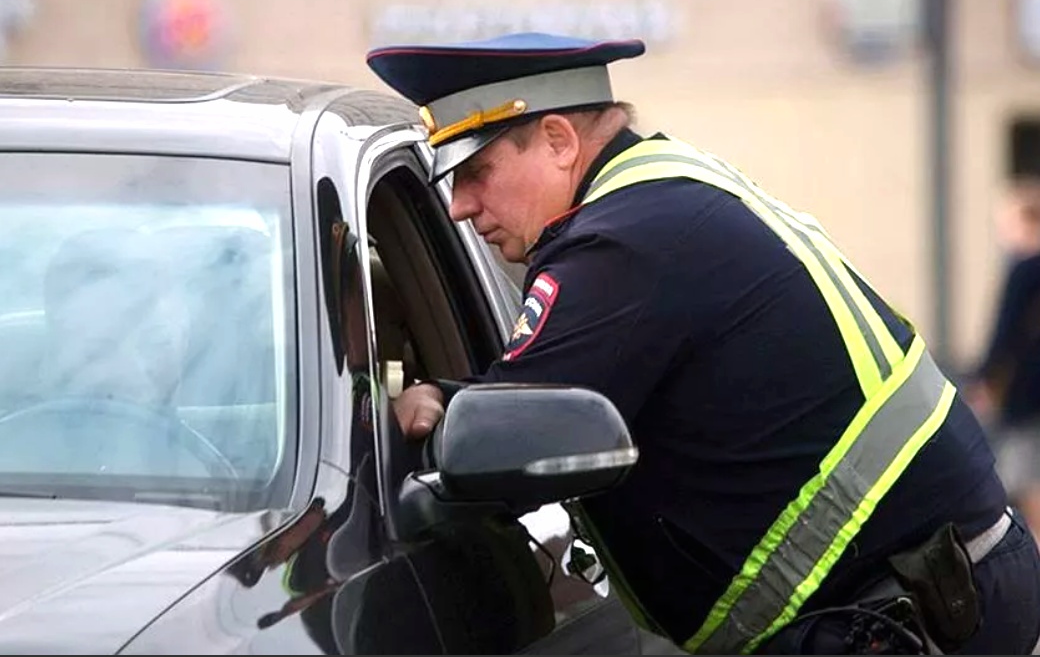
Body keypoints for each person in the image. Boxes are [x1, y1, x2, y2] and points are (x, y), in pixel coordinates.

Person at [365, 32, 1040, 654]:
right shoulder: (662, 190)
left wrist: (432, 414)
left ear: (558, 139)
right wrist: (452, 398)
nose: (458, 205)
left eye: (475, 171)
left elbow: (509, 431)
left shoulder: (618, 246)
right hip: (932, 584)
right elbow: (543, 395)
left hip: (903, 611)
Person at [967, 177, 1040, 541]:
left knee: (1024, 478)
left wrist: (983, 379)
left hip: (1026, 393)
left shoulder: (1024, 269)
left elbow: (1004, 331)